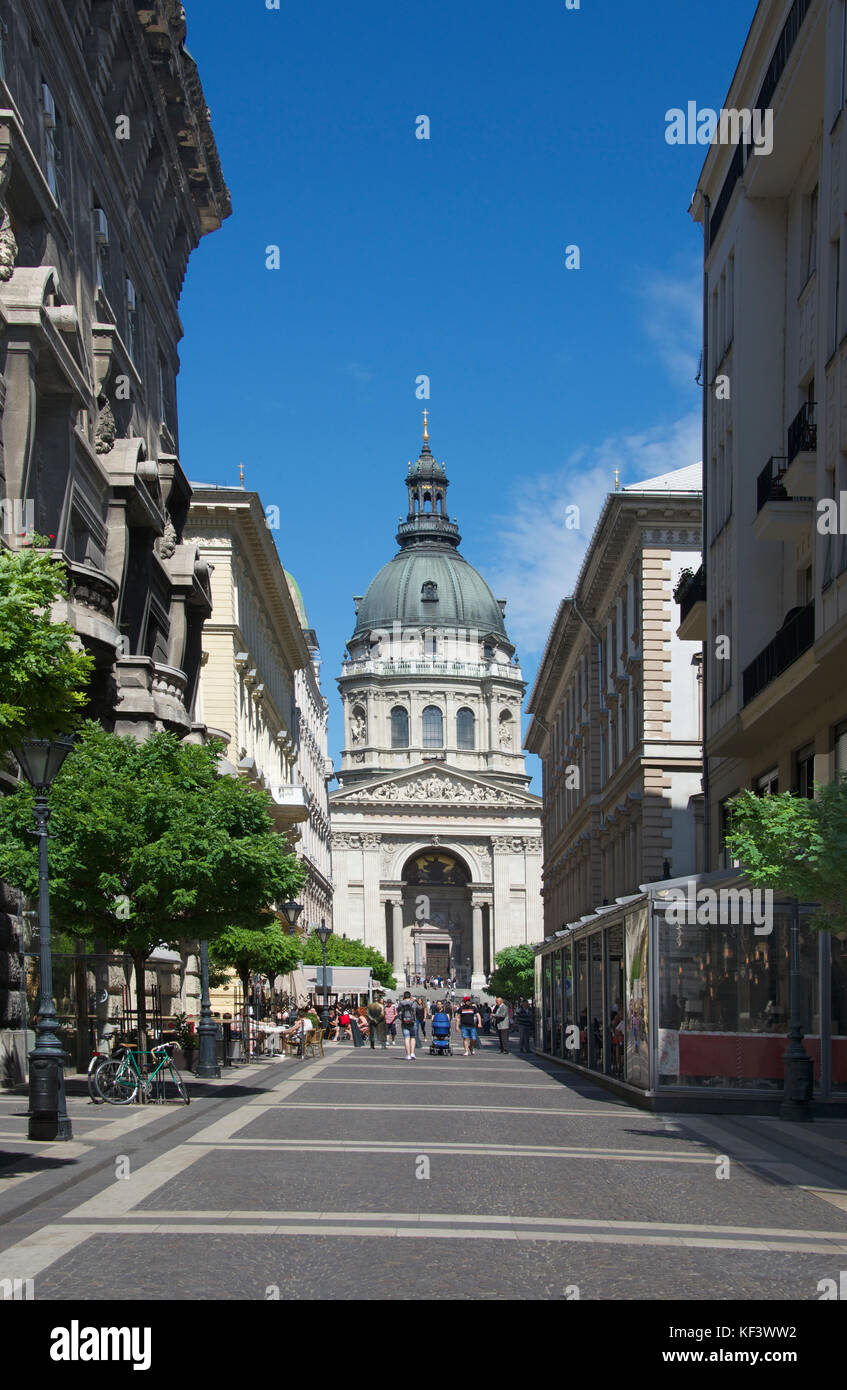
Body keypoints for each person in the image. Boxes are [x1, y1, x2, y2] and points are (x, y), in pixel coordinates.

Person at [397, 991, 418, 1059]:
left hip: (404, 1022)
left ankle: (408, 1055)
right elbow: (416, 1010)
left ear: (404, 996)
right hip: (413, 1022)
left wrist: (401, 1018)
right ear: (410, 996)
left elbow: (398, 1011)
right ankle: (412, 1053)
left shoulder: (401, 1003)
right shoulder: (413, 1003)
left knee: (406, 1038)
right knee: (413, 1037)